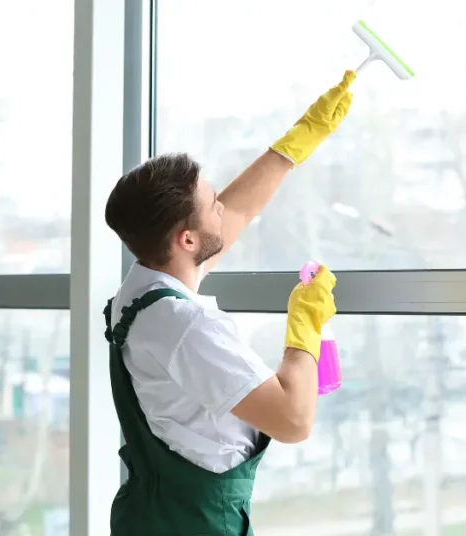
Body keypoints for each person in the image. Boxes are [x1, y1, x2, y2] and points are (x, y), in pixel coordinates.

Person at [101, 70, 356, 535]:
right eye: (211, 201)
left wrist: (294, 145)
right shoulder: (186, 326)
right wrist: (305, 325)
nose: (223, 205)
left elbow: (235, 213)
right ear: (187, 239)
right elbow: (293, 419)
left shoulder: (138, 293)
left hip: (151, 513)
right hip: (196, 523)